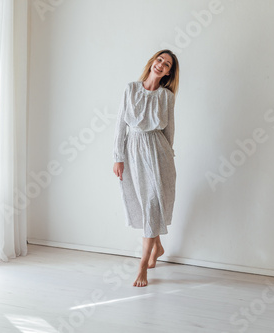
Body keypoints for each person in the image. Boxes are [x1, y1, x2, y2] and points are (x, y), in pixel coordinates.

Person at [112, 49, 179, 287]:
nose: (161, 64)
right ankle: (157, 246)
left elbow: (169, 131)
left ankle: (142, 267)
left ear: (169, 72)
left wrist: (168, 157)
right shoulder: (130, 89)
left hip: (158, 153)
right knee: (144, 204)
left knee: (152, 203)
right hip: (134, 152)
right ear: (152, 62)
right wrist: (118, 157)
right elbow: (121, 125)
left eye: (167, 64)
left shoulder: (167, 97)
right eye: (159, 59)